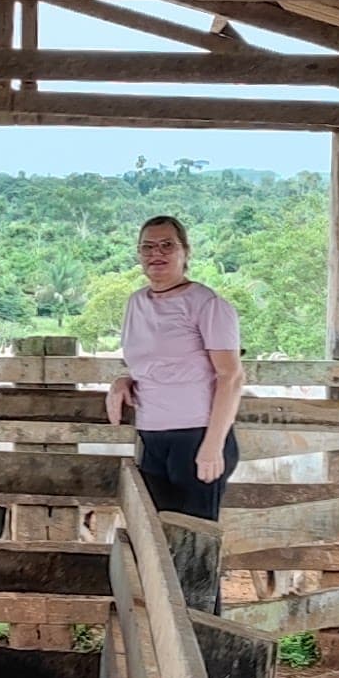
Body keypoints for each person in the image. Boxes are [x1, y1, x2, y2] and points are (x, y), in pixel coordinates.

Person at [106, 214, 242, 520]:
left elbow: (230, 376)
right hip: (151, 437)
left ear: (185, 252)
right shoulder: (135, 303)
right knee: (154, 538)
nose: (157, 253)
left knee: (193, 541)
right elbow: (157, 362)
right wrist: (123, 381)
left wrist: (212, 446)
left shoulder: (206, 304)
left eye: (167, 245)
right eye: (148, 247)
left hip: (196, 436)